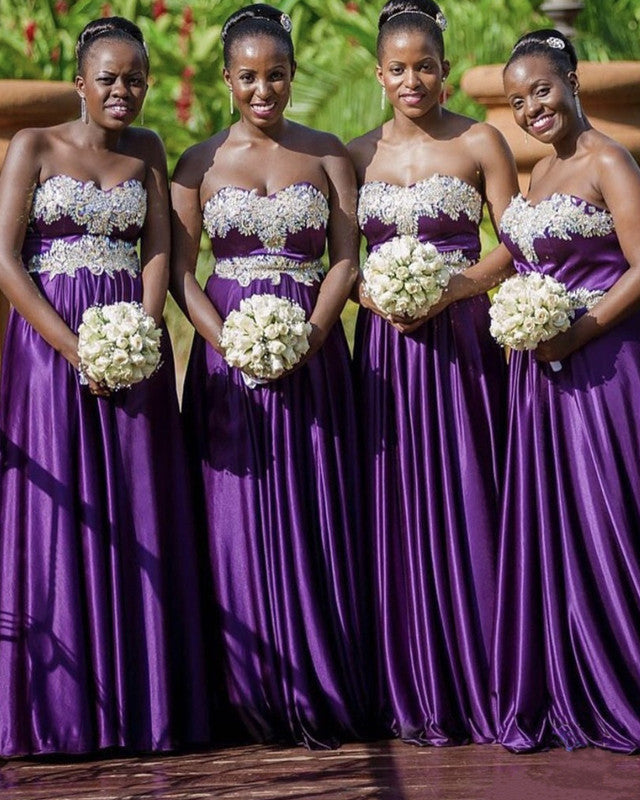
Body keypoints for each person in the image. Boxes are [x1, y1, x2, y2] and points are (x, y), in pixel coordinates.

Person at [0, 17, 209, 756]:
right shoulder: (34, 146)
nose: (123, 91)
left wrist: (140, 334)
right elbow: (5, 258)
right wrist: (75, 349)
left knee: (137, 502)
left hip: (130, 345)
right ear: (81, 83)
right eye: (110, 79)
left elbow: (158, 245)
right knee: (60, 507)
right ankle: (58, 714)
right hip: (51, 348)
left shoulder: (150, 149)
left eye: (135, 80)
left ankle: (141, 704)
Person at [170, 4, 370, 749]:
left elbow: (346, 258)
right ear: (226, 80)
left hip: (311, 349)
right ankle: (246, 692)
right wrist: (230, 346)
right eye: (248, 76)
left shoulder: (326, 155)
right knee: (237, 516)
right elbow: (182, 276)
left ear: (291, 75)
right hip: (231, 355)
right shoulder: (197, 162)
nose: (264, 89)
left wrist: (313, 335)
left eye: (276, 74)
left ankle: (322, 681)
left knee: (318, 506)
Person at [347, 0, 518, 745]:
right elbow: (337, 262)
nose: (412, 79)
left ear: (445, 70)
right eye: (398, 68)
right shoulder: (354, 154)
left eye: (425, 66)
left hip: (463, 345)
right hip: (386, 350)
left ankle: (485, 673)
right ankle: (403, 680)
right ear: (379, 73)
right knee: (392, 501)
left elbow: (515, 243)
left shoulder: (482, 141)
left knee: (471, 489)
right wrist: (370, 294)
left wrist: (455, 288)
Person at [485, 29, 640, 753]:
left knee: (609, 518)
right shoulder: (541, 173)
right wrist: (444, 287)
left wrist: (579, 330)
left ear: (573, 81)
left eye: (541, 90)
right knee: (560, 527)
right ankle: (570, 679)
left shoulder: (609, 158)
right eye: (517, 101)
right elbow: (514, 256)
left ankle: (625, 681)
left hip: (601, 366)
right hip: (538, 378)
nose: (531, 109)